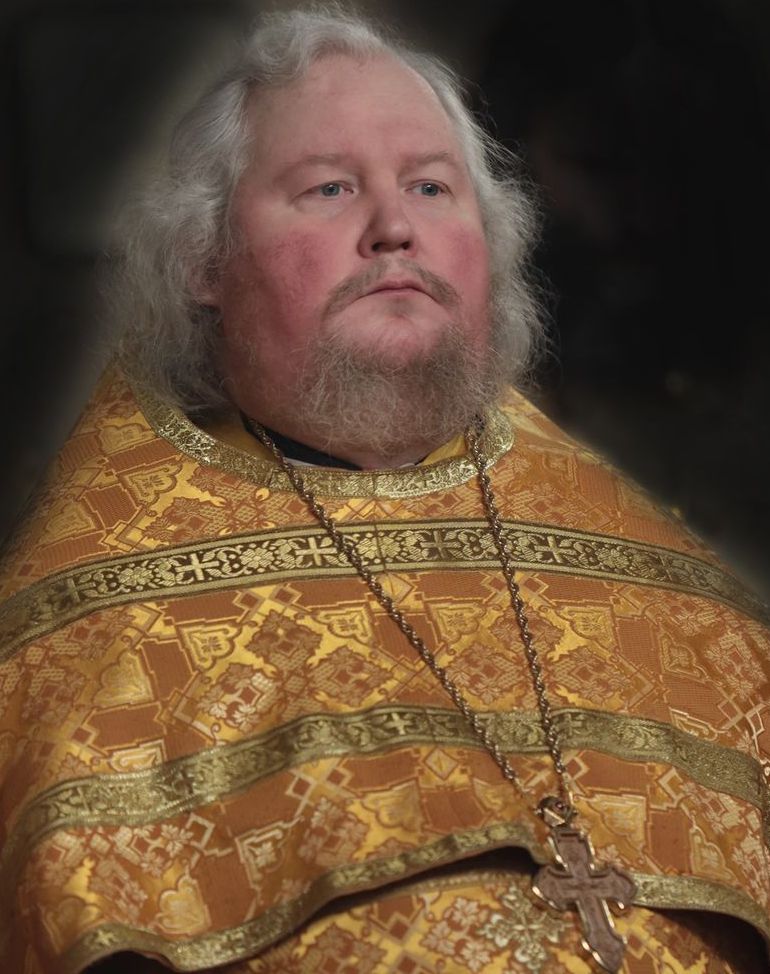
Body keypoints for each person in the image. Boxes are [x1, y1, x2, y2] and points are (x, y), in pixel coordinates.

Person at [0, 6, 768, 973]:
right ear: (204, 263)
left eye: (431, 187)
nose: (395, 228)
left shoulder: (679, 595)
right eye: (328, 187)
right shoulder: (88, 639)